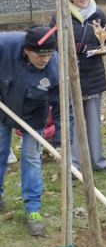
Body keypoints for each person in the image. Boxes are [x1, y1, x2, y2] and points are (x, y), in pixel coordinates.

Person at [0, 24, 73, 235]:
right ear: (26, 50)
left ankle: (33, 209)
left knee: (31, 157)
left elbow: (63, 108)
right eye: (40, 55)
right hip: (4, 107)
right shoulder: (6, 45)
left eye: (49, 54)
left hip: (33, 115)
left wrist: (62, 142)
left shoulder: (54, 69)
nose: (45, 59)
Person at [50, 0, 106, 175]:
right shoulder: (61, 14)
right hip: (71, 76)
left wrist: (99, 50)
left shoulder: (98, 13)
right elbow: (50, 44)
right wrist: (70, 49)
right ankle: (75, 165)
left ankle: (98, 161)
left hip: (93, 74)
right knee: (73, 121)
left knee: (93, 121)